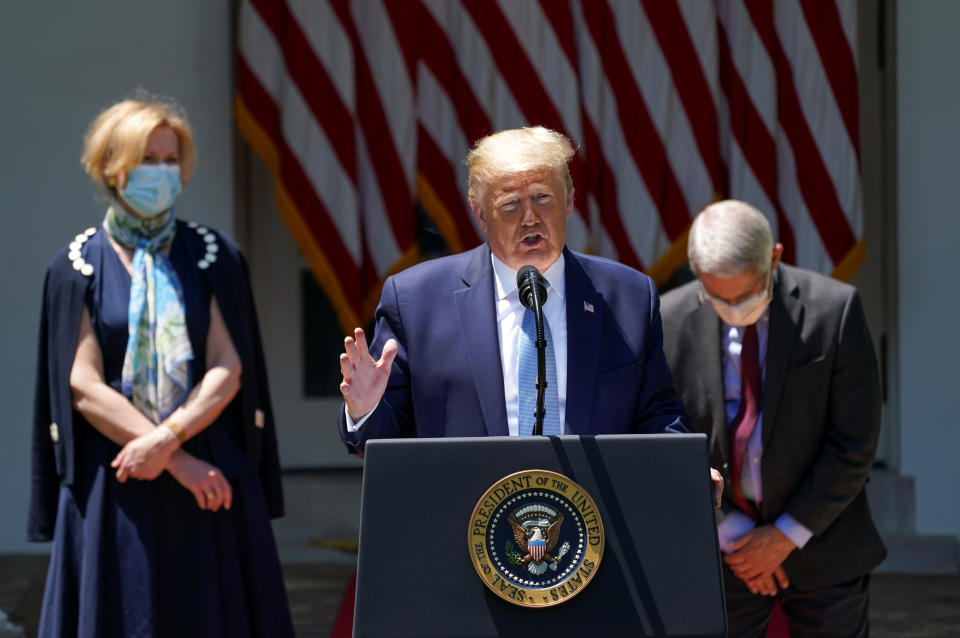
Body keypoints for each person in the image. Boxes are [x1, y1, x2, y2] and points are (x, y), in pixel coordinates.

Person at [28, 96, 294, 638]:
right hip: (120, 476)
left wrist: (168, 440)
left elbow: (227, 367)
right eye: (149, 160)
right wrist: (175, 461)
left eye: (171, 161)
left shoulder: (214, 254)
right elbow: (82, 383)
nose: (163, 173)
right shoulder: (75, 265)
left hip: (210, 479)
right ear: (112, 167)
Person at [337, 126, 717, 477]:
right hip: (465, 529)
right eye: (510, 205)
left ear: (569, 200)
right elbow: (381, 442)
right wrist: (364, 409)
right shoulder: (416, 301)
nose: (530, 218)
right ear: (480, 214)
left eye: (542, 198)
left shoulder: (628, 297)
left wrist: (686, 466)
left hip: (595, 527)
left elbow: (657, 415)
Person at [660, 200, 886, 637]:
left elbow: (854, 441)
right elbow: (664, 433)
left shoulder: (833, 311)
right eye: (717, 297)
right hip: (718, 552)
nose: (733, 308)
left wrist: (785, 535)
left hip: (824, 549)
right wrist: (732, 533)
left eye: (745, 295)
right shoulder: (669, 319)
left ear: (775, 258)